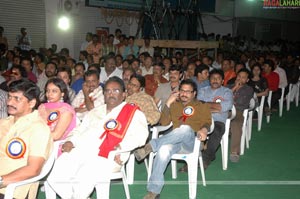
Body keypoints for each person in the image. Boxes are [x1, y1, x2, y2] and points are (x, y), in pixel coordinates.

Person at [47, 77, 149, 199]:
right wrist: (70, 141)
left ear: (124, 94)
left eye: (115, 91)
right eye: (107, 91)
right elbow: (79, 129)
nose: (111, 94)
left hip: (108, 155)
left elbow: (141, 136)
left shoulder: (133, 113)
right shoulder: (95, 112)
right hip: (82, 150)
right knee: (55, 175)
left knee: (82, 178)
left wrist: (122, 146)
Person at [134, 79, 212, 199]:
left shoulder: (202, 105)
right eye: (182, 90)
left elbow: (207, 122)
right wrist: (168, 104)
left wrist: (204, 130)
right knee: (163, 150)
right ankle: (154, 192)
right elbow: (164, 122)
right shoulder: (175, 105)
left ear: (194, 93)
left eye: (188, 91)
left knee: (185, 128)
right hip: (175, 142)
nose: (184, 94)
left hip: (192, 142)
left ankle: (151, 146)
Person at [0, 79, 53, 199]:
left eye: (16, 99)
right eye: (9, 97)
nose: (9, 102)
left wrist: (1, 181)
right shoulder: (3, 122)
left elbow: (33, 169)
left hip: (12, 190)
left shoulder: (38, 128)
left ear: (31, 103)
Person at [196, 69, 233, 169]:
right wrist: (216, 107)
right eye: (213, 78)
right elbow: (198, 105)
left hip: (218, 121)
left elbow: (226, 106)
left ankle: (205, 159)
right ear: (209, 80)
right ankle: (193, 158)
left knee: (216, 131)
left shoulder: (227, 92)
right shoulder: (203, 90)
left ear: (222, 81)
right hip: (202, 119)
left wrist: (206, 105)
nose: (215, 80)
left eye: (218, 78)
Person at [227, 68, 254, 162]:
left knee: (236, 123)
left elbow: (240, 102)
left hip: (238, 111)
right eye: (239, 76)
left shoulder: (249, 89)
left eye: (243, 77)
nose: (240, 79)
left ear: (247, 80)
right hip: (225, 110)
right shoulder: (228, 86)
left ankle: (234, 152)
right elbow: (223, 98)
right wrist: (234, 87)